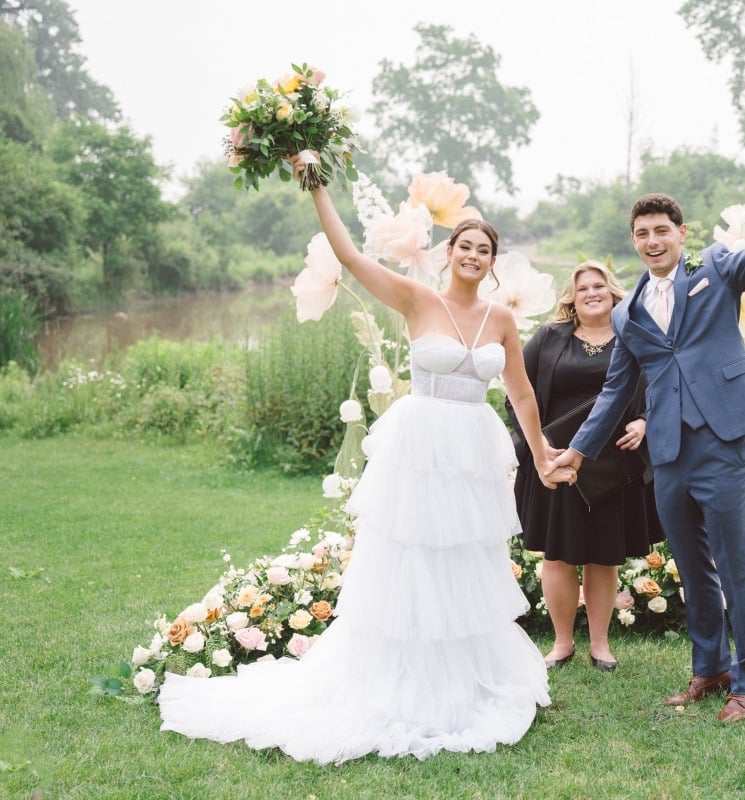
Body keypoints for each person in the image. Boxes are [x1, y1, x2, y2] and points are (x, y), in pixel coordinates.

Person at [155, 166, 575, 763]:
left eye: (485, 250)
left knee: (462, 556)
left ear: (493, 263)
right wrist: (318, 190)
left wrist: (539, 453)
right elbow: (350, 257)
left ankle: (462, 676)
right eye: (466, 247)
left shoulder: (501, 320)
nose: (475, 256)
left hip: (471, 453)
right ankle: (400, 679)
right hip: (421, 446)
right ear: (447, 252)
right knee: (412, 553)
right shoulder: (415, 299)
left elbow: (523, 394)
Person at [549, 154, 745, 723]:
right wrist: (576, 451)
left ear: (681, 234)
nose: (652, 241)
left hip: (718, 439)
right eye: (641, 234)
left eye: (661, 231)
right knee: (692, 568)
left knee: (735, 562)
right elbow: (617, 392)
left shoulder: (714, 270)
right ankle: (709, 669)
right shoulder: (629, 313)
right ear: (633, 241)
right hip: (665, 451)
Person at [508, 261, 664, 672]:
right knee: (558, 555)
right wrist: (539, 445)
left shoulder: (635, 336)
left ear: (613, 293)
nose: (592, 293)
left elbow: (663, 385)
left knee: (603, 556)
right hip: (557, 463)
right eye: (583, 289)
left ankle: (600, 644)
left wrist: (646, 421)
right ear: (572, 300)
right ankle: (562, 643)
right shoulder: (549, 338)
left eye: (599, 286)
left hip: (614, 464)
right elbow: (516, 391)